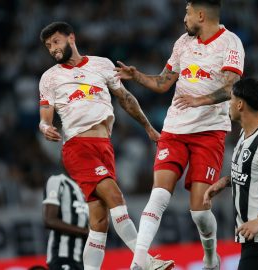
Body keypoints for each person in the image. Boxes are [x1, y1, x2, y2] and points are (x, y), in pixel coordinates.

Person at [114, 0, 245, 269]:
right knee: (159, 194)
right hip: (174, 129)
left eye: (186, 13)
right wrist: (137, 75)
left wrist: (201, 101)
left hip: (209, 132)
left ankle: (211, 257)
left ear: (200, 15)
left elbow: (233, 87)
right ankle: (139, 261)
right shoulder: (182, 43)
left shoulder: (231, 43)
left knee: (199, 211)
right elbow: (163, 83)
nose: (183, 19)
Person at [38, 21, 174, 270]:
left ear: (71, 38)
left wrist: (147, 127)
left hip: (104, 146)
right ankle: (146, 261)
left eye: (55, 42)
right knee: (115, 196)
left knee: (99, 222)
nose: (53, 49)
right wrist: (46, 128)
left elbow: (125, 98)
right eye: (48, 46)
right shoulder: (50, 78)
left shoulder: (102, 64)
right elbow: (45, 117)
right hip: (78, 147)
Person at [203, 78, 258, 270]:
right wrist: (225, 182)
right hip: (252, 237)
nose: (229, 104)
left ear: (240, 104)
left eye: (231, 99)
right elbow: (253, 172)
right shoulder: (245, 134)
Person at [43, 174, 89, 270]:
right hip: (63, 256)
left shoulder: (86, 186)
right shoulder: (58, 181)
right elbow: (50, 220)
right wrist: (86, 232)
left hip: (83, 260)